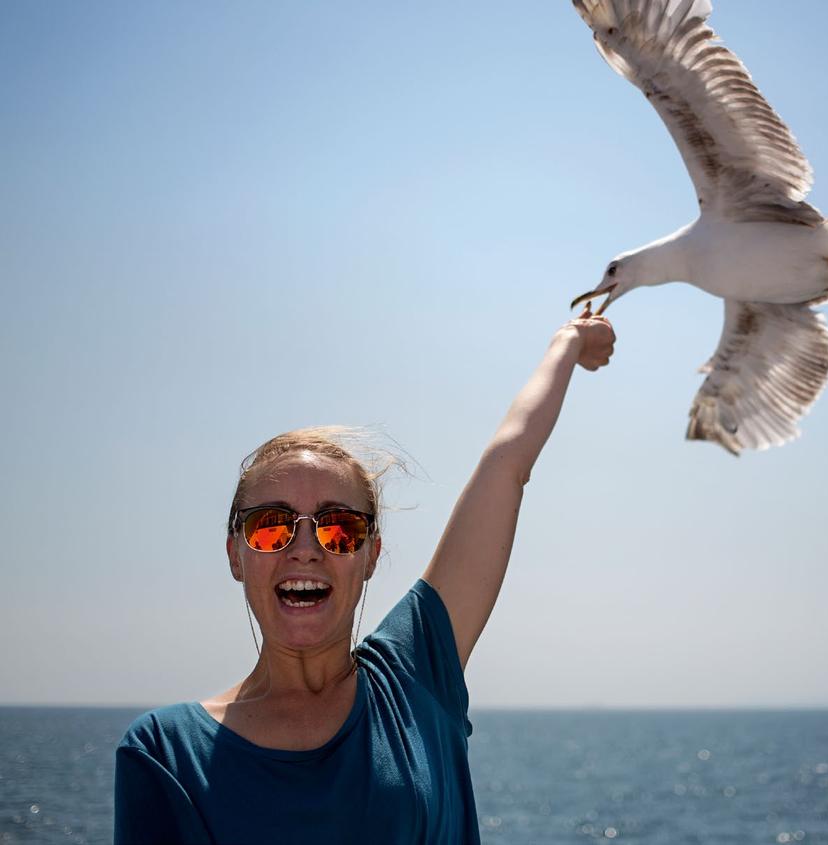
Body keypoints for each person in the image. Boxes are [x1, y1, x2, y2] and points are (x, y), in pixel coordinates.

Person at [113, 308, 616, 844]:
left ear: (371, 555)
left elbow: (507, 463)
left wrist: (569, 340)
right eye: (270, 527)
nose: (304, 549)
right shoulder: (166, 753)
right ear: (236, 555)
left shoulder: (418, 675)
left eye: (338, 528)